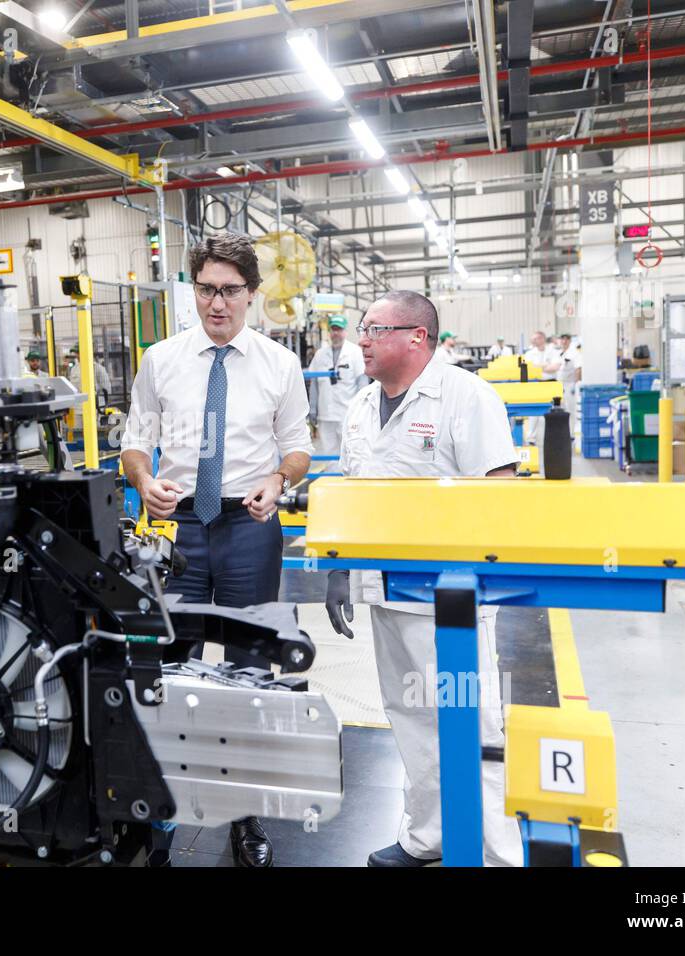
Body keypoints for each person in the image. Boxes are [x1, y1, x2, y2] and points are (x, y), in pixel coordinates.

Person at [121, 232, 312, 867]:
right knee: (167, 668)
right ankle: (160, 817)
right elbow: (135, 438)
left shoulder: (279, 364)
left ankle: (245, 814)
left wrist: (279, 480)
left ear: (253, 295)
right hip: (177, 530)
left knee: (248, 672)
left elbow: (298, 444)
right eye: (206, 290)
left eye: (231, 291)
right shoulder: (162, 359)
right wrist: (145, 481)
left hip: (248, 528)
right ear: (193, 292)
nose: (217, 303)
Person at [324, 290, 522, 868]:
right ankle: (428, 835)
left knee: (472, 718)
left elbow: (498, 491)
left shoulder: (465, 397)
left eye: (375, 329)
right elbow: (352, 491)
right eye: (363, 329)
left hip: (450, 596)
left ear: (417, 337)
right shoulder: (361, 405)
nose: (362, 339)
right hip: (385, 591)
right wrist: (339, 566)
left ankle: (499, 854)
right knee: (409, 715)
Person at [307, 315, 368, 457]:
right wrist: (313, 408)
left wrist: (361, 411)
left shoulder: (355, 353)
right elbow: (314, 384)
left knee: (350, 453)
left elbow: (362, 384)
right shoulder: (320, 355)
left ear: (345, 332)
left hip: (348, 414)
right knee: (329, 454)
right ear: (329, 332)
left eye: (339, 329)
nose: (336, 333)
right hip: (325, 414)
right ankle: (331, 479)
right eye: (333, 329)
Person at [556, 333, 582, 411]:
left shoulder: (575, 353)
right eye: (562, 339)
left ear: (570, 341)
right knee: (560, 408)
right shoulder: (558, 353)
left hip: (570, 385)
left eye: (567, 339)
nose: (564, 341)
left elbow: (578, 369)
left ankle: (572, 423)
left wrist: (575, 384)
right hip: (559, 384)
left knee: (571, 408)